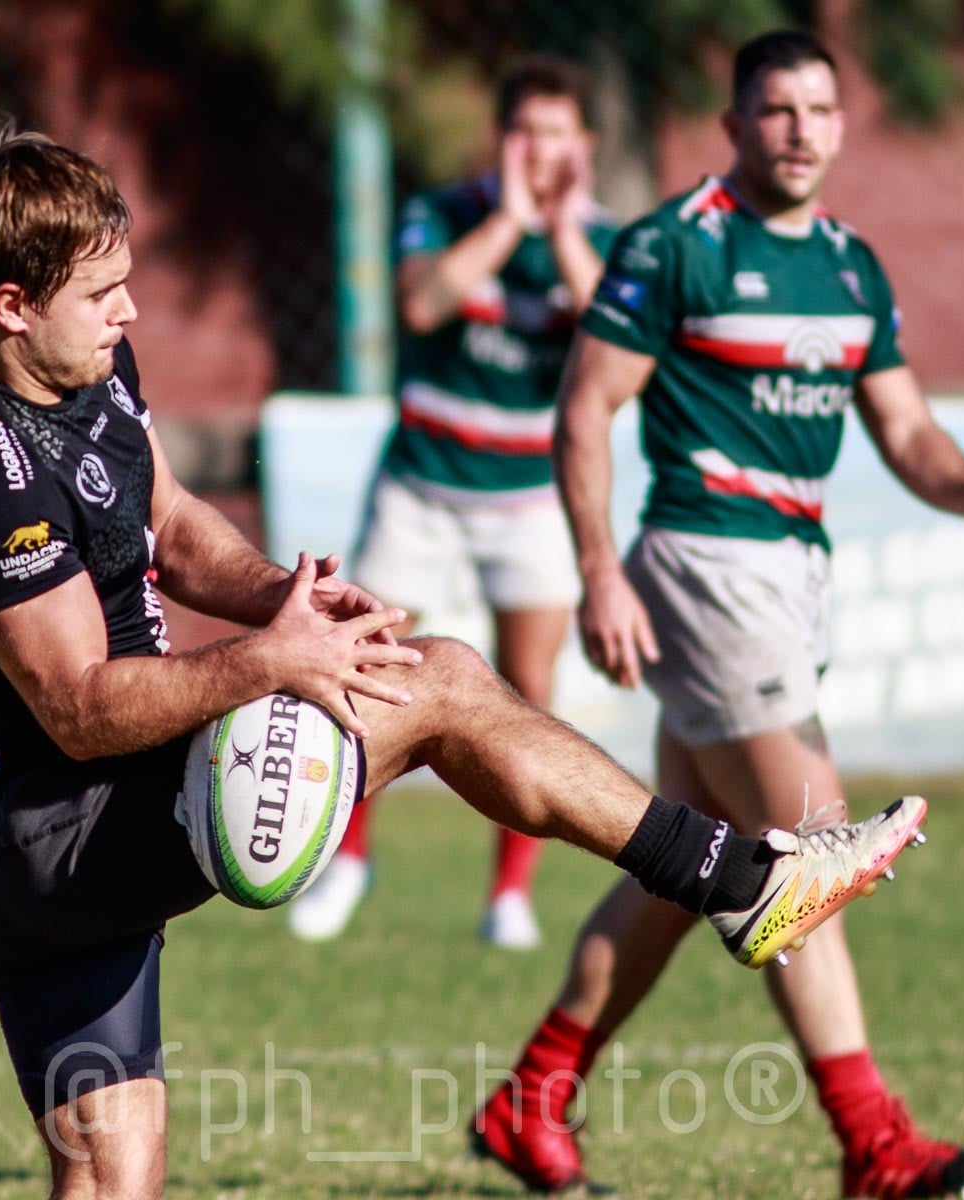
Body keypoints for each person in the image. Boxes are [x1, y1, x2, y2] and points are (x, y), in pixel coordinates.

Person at [0, 119, 923, 1200]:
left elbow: (170, 517)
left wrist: (279, 596)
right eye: (103, 293)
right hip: (47, 832)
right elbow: (78, 708)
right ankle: (736, 878)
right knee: (440, 681)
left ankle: (735, 884)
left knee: (114, 1177)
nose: (130, 310)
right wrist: (270, 659)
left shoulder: (74, 364)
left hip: (42, 846)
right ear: (11, 306)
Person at [473, 30, 964, 1200]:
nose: (801, 130)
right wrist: (601, 569)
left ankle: (531, 1099)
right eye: (776, 110)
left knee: (689, 871)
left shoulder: (854, 268)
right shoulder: (676, 246)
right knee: (817, 855)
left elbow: (907, 434)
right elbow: (584, 411)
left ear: (842, 124)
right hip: (706, 570)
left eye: (820, 108)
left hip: (789, 577)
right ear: (734, 125)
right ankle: (875, 1146)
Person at [288, 56, 619, 949]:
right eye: (526, 133)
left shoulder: (606, 242)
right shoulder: (440, 215)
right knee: (370, 668)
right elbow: (424, 303)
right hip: (422, 487)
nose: (543, 150)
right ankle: (347, 859)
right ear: (500, 140)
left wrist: (562, 231)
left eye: (559, 133)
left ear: (583, 145)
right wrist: (512, 221)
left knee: (526, 691)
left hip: (528, 499)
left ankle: (509, 894)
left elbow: (611, 338)